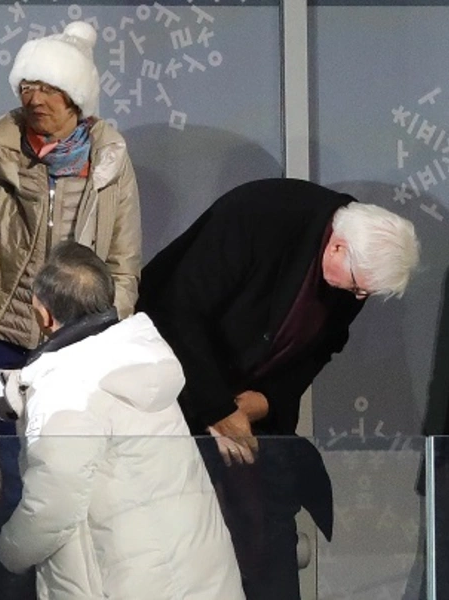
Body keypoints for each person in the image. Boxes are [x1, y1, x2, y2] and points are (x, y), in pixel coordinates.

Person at [135, 178, 420, 599]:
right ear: (338, 246)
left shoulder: (353, 268)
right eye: (359, 284)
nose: (359, 296)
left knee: (266, 543)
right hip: (172, 392)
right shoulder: (262, 213)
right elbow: (179, 309)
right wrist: (217, 408)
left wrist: (267, 401)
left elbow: (320, 349)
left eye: (367, 292)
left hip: (252, 415)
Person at [0, 22, 142, 572]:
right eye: (27, 88)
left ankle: (44, 577)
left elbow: (123, 265)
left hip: (72, 347)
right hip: (0, 333)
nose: (35, 101)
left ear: (76, 99)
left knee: (57, 475)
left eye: (48, 90)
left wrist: (106, 341)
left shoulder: (109, 161)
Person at [0, 242, 243, 599]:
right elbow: (35, 386)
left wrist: (3, 555)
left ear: (43, 313)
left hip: (122, 581)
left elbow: (52, 508)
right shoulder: (133, 355)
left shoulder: (64, 392)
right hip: (195, 573)